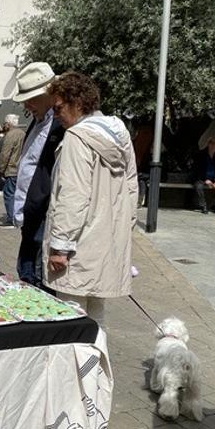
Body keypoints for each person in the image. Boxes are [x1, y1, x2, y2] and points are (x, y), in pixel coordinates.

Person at [42, 73, 138, 328]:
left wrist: (60, 247)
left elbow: (73, 196)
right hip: (105, 242)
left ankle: (82, 369)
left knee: (73, 321)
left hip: (78, 247)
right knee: (96, 318)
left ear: (78, 103)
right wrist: (122, 232)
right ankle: (96, 368)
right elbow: (131, 187)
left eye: (59, 107)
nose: (56, 115)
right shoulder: (120, 135)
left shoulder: (76, 137)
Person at [11, 62, 63, 288]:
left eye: (32, 99)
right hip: (31, 217)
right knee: (27, 272)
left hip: (45, 216)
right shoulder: (37, 121)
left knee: (39, 279)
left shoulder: (61, 125)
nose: (27, 104)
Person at [0, 114, 24, 228]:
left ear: (8, 124)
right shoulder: (23, 133)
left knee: (9, 194)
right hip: (21, 168)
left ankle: (11, 219)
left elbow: (5, 154)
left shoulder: (10, 135)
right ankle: (18, 216)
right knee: (19, 194)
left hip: (11, 168)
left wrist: (1, 169)